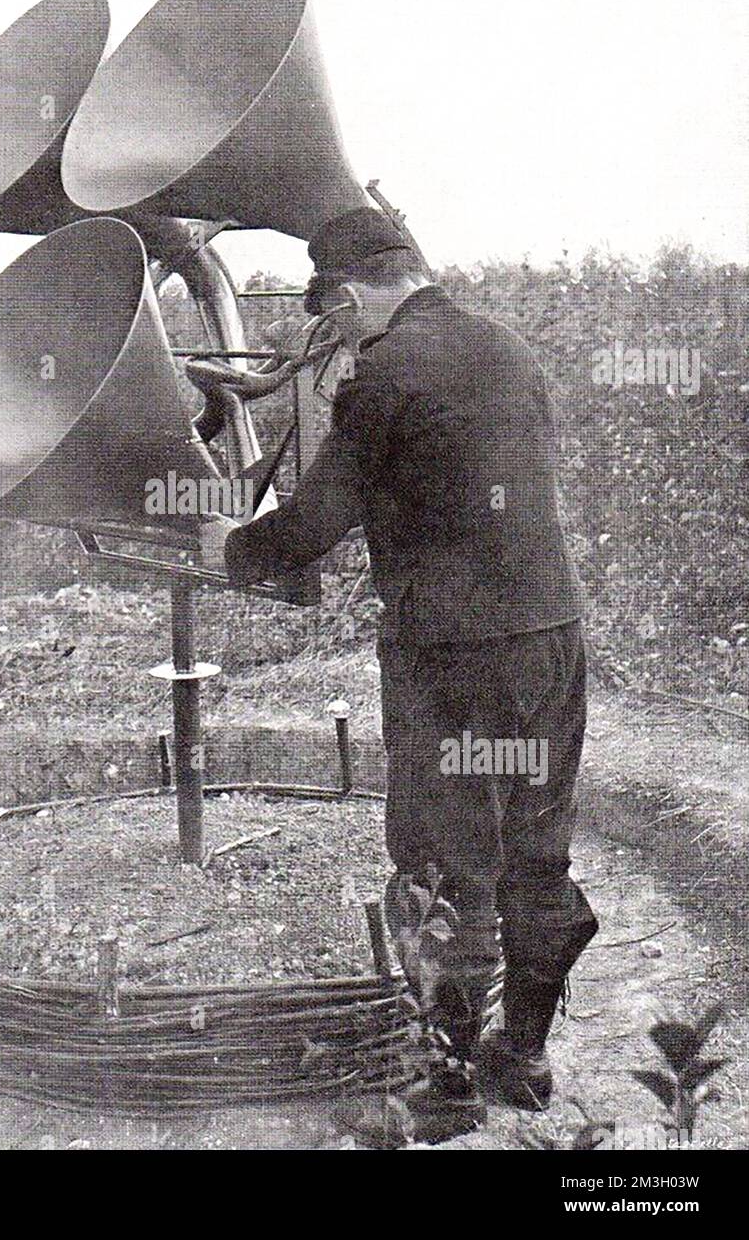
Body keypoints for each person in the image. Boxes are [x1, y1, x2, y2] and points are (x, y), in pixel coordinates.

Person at [202, 206, 598, 1146]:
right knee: (536, 854)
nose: (332, 343)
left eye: (330, 324)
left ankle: (448, 1090)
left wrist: (232, 547)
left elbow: (308, 527)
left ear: (347, 296)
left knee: (441, 861)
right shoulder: (505, 346)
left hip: (451, 659)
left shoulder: (382, 373)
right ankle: (524, 1059)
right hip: (549, 639)